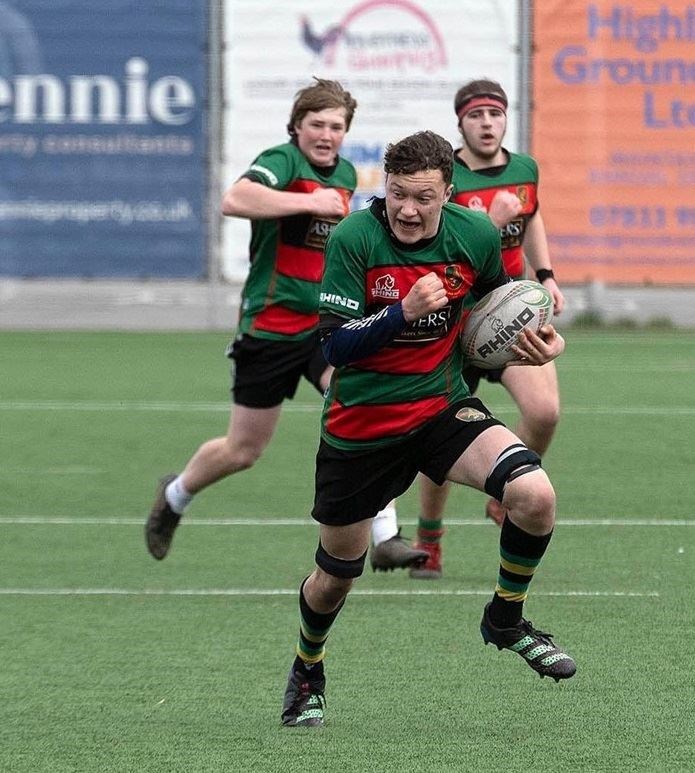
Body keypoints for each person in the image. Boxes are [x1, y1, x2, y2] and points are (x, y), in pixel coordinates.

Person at [280, 130, 576, 728]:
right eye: (396, 195)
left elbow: (497, 311)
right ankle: (308, 666)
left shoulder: (473, 235)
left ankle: (506, 617)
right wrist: (401, 313)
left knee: (534, 495)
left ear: (450, 193)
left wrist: (535, 341)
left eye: (422, 197)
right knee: (336, 576)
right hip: (360, 424)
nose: (408, 210)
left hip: (440, 406)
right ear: (382, 189)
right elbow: (333, 344)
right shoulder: (355, 239)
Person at [144, 77, 426, 571]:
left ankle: (386, 535)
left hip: (324, 328)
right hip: (269, 327)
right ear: (296, 127)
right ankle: (174, 496)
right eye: (316, 124)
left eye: (336, 126)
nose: (326, 133)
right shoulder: (282, 162)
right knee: (243, 449)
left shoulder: (342, 173)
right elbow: (235, 199)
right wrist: (308, 201)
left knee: (367, 403)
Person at [404, 78, 565, 580]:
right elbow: (446, 250)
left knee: (544, 412)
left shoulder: (523, 169)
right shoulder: (446, 179)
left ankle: (506, 486)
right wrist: (490, 224)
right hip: (458, 320)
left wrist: (545, 276)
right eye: (477, 116)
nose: (488, 123)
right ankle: (429, 539)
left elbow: (533, 217)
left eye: (495, 114)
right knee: (443, 439)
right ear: (461, 124)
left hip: (509, 313)